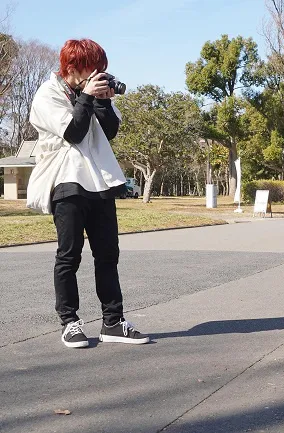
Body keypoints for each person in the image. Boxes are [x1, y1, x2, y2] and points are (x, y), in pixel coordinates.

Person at [27, 39, 149, 348]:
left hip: (101, 182)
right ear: (71, 68)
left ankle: (113, 322)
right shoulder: (48, 94)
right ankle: (69, 322)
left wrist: (104, 101)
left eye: (101, 69)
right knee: (69, 256)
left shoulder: (91, 91)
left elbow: (108, 133)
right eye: (92, 68)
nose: (98, 73)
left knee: (108, 254)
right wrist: (85, 97)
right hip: (66, 183)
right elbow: (73, 132)